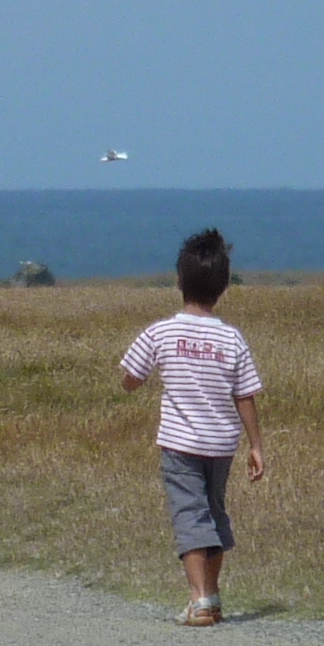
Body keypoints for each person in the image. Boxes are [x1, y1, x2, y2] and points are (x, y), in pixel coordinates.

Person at [118, 226, 265, 625]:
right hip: (221, 445)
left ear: (180, 280)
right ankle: (213, 596)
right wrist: (256, 446)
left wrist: (134, 382)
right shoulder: (232, 338)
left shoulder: (161, 331)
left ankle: (198, 598)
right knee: (214, 515)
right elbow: (245, 394)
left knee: (190, 516)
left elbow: (131, 377)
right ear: (223, 287)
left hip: (180, 444)